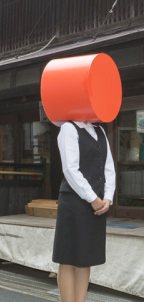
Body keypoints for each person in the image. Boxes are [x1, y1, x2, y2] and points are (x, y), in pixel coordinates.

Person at [52, 121, 116, 302]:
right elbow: (70, 169)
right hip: (74, 202)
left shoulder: (99, 130)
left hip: (97, 203)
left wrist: (108, 197)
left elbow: (109, 167)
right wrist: (92, 198)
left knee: (85, 258)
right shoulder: (68, 128)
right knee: (69, 257)